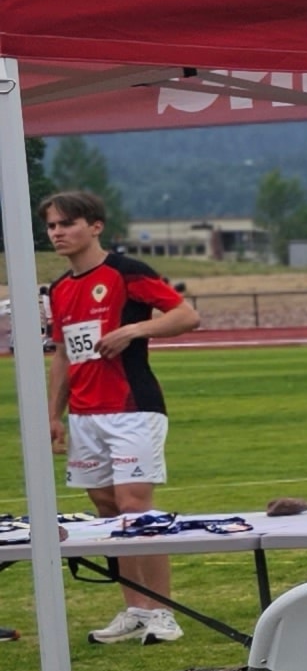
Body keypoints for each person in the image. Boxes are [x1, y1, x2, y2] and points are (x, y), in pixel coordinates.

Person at [43, 191, 198, 643]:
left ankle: (164, 613)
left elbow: (187, 315)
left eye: (66, 223)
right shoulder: (59, 288)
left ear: (94, 226)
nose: (57, 232)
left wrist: (135, 328)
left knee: (135, 508)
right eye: (52, 226)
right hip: (85, 417)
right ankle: (135, 608)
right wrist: (54, 414)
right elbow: (63, 356)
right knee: (109, 513)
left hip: (133, 409)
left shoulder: (126, 272)